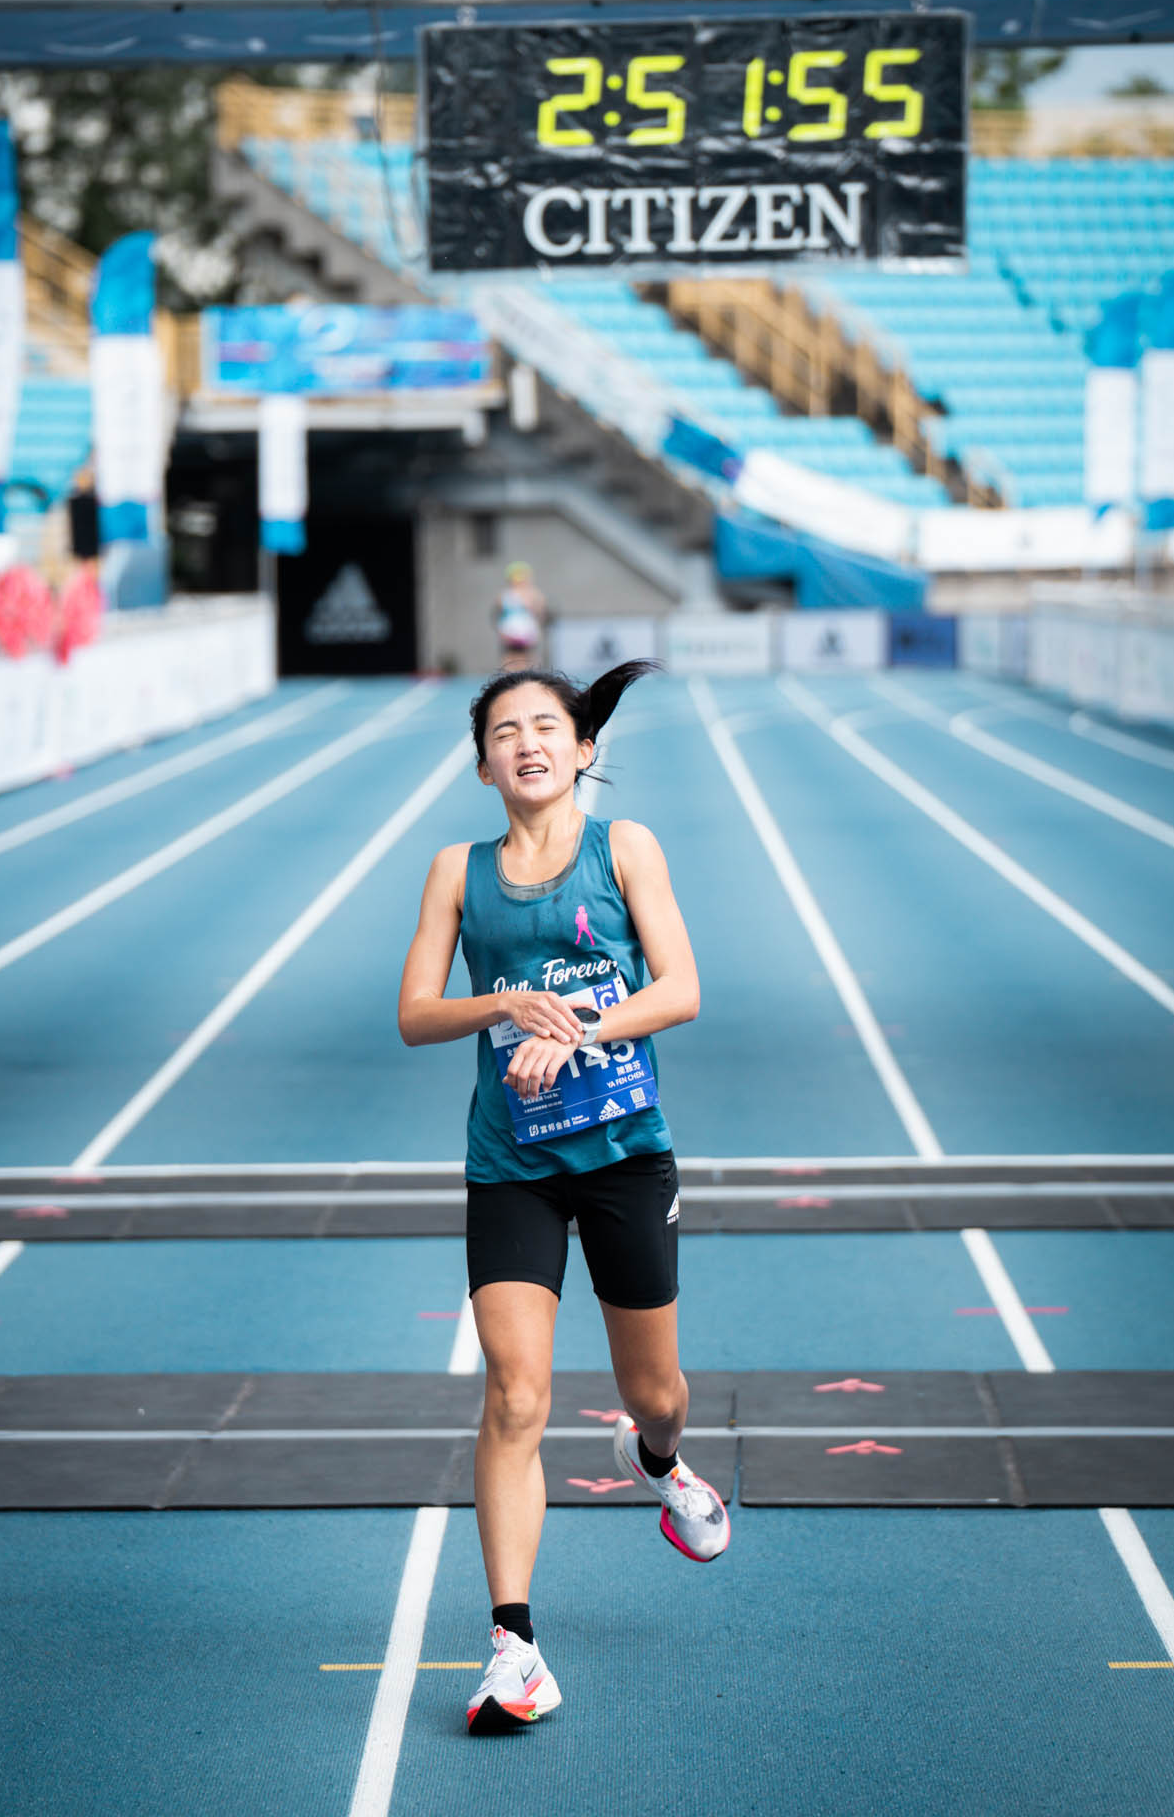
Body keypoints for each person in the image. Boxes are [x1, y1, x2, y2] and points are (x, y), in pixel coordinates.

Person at [398, 660, 728, 1738]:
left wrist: (578, 1028)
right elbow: (414, 1012)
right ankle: (513, 1644)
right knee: (514, 1392)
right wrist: (506, 1000)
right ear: (484, 760)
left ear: (584, 750)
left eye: (550, 725)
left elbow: (680, 988)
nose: (529, 741)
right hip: (512, 1165)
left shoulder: (622, 848)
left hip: (626, 1153)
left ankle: (660, 1459)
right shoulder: (457, 869)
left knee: (658, 1390)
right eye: (506, 729)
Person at [493, 562, 545, 672]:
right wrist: (501, 631)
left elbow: (540, 613)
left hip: (526, 632)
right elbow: (498, 615)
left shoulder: (533, 594)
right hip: (510, 633)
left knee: (528, 658)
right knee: (510, 658)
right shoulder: (504, 595)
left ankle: (530, 678)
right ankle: (509, 679)